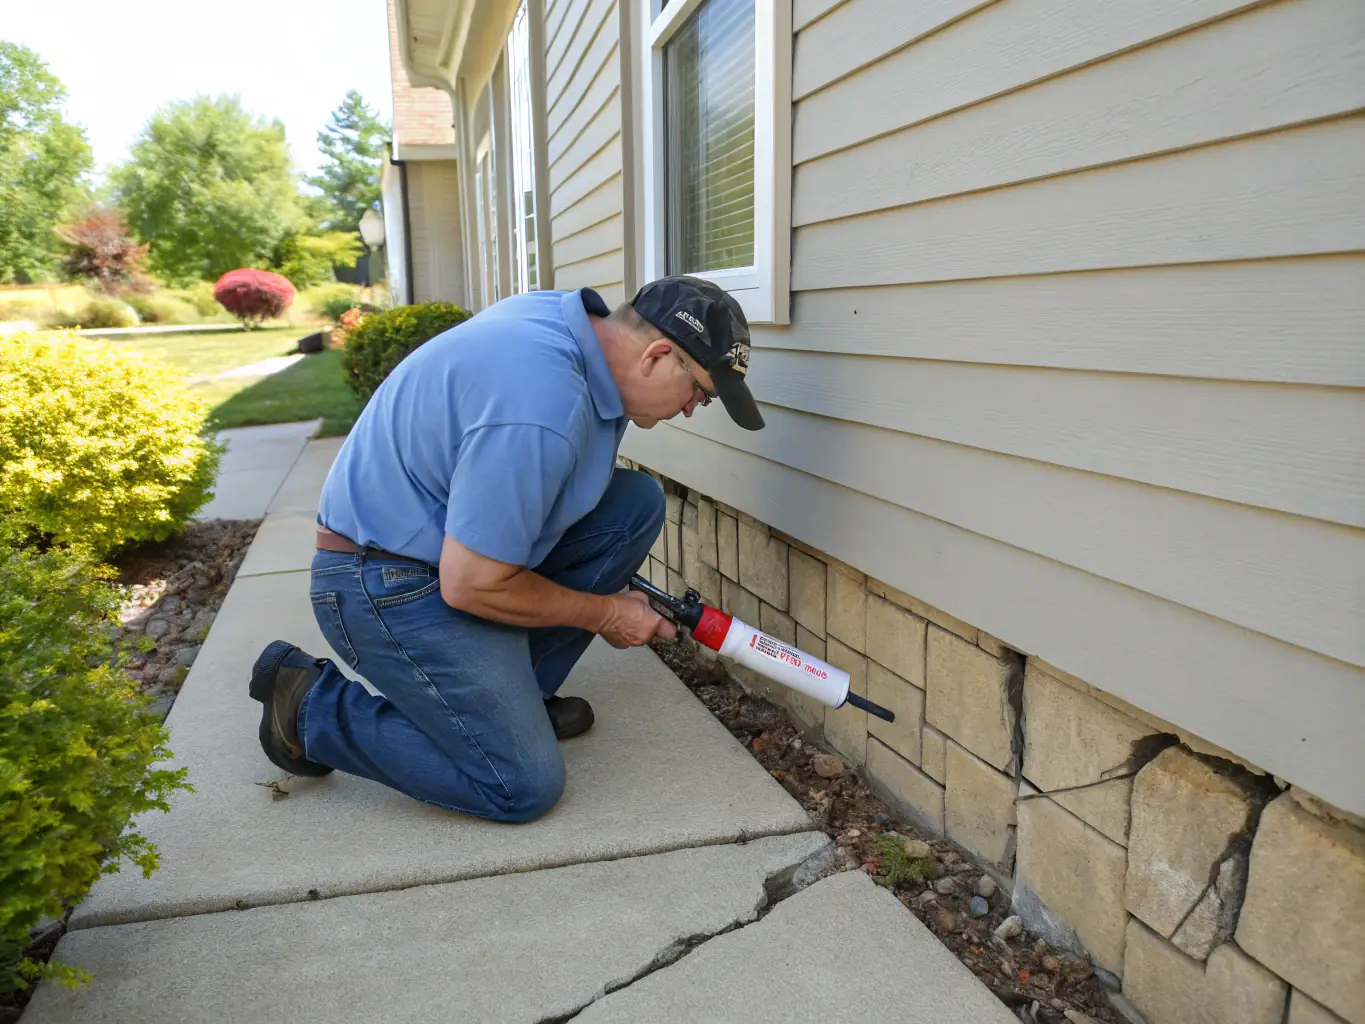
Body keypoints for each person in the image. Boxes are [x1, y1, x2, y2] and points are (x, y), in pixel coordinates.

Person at [248, 276, 763, 823]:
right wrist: (607, 613)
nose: (692, 409)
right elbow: (472, 582)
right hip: (378, 582)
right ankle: (310, 707)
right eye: (700, 393)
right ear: (657, 355)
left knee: (633, 505)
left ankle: (503, 705)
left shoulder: (567, 327)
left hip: (431, 552)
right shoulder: (542, 403)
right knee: (520, 784)